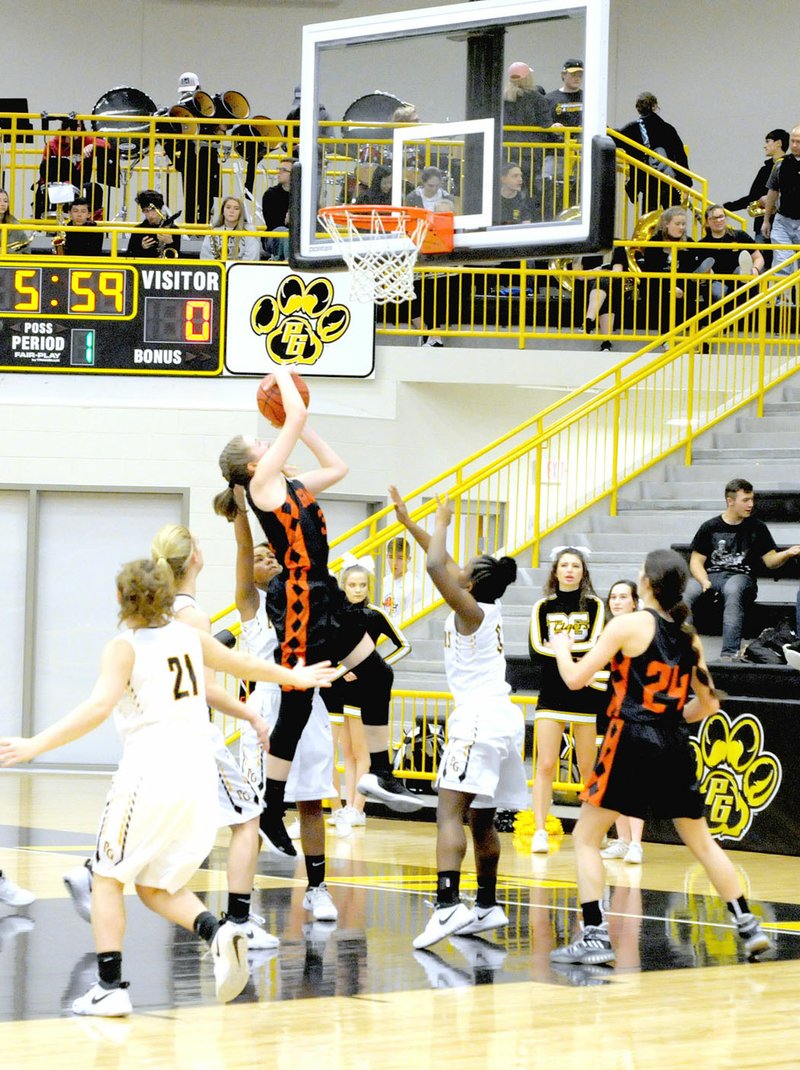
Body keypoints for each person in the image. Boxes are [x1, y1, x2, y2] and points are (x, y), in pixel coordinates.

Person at [0, 557, 335, 1016]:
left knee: (106, 877)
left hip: (148, 774)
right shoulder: (189, 637)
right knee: (156, 883)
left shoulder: (124, 646)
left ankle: (109, 987)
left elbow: (98, 707)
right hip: (197, 777)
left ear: (120, 598)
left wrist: (35, 743)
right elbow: (245, 665)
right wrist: (296, 676)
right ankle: (218, 932)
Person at [213, 369, 420, 849]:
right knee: (298, 702)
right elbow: (298, 409)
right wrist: (283, 371)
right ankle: (271, 805)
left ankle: (379, 773)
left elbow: (338, 466)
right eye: (258, 443)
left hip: (323, 592)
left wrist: (297, 424)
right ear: (249, 466)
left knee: (378, 676)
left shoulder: (291, 484)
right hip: (301, 598)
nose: (267, 442)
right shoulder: (263, 484)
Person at [64, 524, 289, 950]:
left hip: (169, 744)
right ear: (194, 559)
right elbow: (209, 687)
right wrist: (251, 713)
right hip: (191, 738)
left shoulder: (172, 615)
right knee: (247, 819)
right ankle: (236, 921)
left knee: (155, 854)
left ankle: (96, 873)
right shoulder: (190, 618)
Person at [547, 548, 772, 966]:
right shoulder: (687, 637)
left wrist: (562, 647)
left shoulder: (628, 625)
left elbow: (575, 679)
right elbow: (708, 706)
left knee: (585, 838)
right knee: (703, 843)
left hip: (630, 737)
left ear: (646, 583)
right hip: (673, 742)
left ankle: (594, 935)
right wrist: (667, 717)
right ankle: (748, 924)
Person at [387, 486, 526, 949]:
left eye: (464, 570)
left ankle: (447, 906)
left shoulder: (469, 612)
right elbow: (440, 559)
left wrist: (445, 519)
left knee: (449, 812)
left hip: (478, 721)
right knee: (481, 820)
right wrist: (409, 522)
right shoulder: (489, 601)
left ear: (469, 583)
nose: (457, 568)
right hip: (504, 719)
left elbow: (432, 565)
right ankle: (486, 906)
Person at [231, 494, 341, 923]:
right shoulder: (251, 603)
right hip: (266, 709)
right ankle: (243, 899)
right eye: (260, 558)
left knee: (312, 801)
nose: (267, 560)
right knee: (257, 807)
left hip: (306, 704)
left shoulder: (304, 592)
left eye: (271, 554)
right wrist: (241, 508)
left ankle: (317, 888)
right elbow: (243, 551)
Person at [322, 556, 411, 833]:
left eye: (362, 585)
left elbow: (403, 645)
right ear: (343, 586)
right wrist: (339, 671)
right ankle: (341, 807)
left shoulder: (375, 614)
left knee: (363, 753)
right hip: (336, 688)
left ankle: (358, 808)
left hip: (364, 688)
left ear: (368, 586)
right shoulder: (336, 614)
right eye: (352, 584)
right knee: (342, 752)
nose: (357, 590)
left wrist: (374, 668)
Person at [528, 547, 605, 854]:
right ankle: (539, 831)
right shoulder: (542, 607)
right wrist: (567, 652)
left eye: (575, 565)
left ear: (583, 571)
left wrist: (560, 647)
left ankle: (592, 832)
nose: (570, 570)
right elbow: (535, 650)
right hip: (551, 693)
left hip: (585, 693)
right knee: (545, 764)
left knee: (587, 768)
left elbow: (595, 646)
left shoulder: (595, 605)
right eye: (564, 565)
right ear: (555, 572)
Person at [684, 478, 800, 660]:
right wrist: (703, 580)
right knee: (686, 593)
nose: (751, 504)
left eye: (752, 499)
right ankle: (683, 650)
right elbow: (696, 561)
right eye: (745, 500)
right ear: (730, 501)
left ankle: (729, 655)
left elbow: (770, 561)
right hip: (712, 577)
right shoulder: (710, 527)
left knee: (733, 590)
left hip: (741, 577)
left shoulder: (757, 527)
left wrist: (787, 553)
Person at [597, 580, 646, 865]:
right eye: (612, 596)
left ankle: (637, 843)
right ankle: (623, 839)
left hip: (635, 710)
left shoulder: (641, 632)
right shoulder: (607, 632)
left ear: (635, 602)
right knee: (613, 776)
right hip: (610, 707)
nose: (616, 602)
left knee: (633, 778)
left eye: (623, 597)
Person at [633, 206, 714, 334]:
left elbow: (691, 270)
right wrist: (671, 287)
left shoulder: (689, 243)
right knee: (666, 298)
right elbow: (653, 270)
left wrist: (680, 287)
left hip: (684, 286)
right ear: (666, 224)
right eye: (677, 224)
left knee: (693, 296)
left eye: (683, 224)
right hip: (660, 286)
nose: (681, 227)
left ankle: (698, 341)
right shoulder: (654, 243)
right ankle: (667, 339)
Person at [614, 92, 691, 213]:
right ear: (655, 107)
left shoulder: (632, 129)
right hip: (669, 180)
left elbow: (615, 139)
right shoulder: (667, 128)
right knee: (674, 218)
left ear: (638, 109)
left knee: (649, 220)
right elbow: (681, 156)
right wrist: (686, 183)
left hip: (647, 182)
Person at [724, 129, 788, 259]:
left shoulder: (791, 167)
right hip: (764, 224)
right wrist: (728, 207)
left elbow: (752, 196)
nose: (765, 145)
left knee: (780, 264)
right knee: (762, 263)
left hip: (784, 225)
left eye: (768, 141)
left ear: (779, 143)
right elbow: (753, 197)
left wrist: (728, 207)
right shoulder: (765, 169)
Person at [502, 61, 555, 215]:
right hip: (530, 154)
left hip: (506, 152)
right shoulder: (536, 98)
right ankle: (528, 220)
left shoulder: (503, 97)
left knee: (506, 190)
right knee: (530, 190)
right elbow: (546, 125)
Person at [762, 124, 800, 283]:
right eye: (792, 141)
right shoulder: (781, 163)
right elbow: (772, 191)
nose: (794, 145)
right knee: (782, 262)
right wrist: (766, 220)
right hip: (782, 219)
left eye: (798, 142)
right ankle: (779, 303)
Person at [701, 204, 763, 301]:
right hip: (718, 283)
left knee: (742, 272)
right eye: (713, 218)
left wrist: (755, 269)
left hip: (739, 279)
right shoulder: (703, 244)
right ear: (707, 222)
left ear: (726, 218)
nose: (718, 220)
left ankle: (745, 275)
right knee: (716, 291)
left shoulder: (740, 236)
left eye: (721, 217)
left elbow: (758, 257)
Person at [582, 245, 629, 351]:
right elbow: (580, 275)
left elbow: (617, 273)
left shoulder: (618, 247)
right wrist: (601, 272)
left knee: (604, 282)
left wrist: (597, 272)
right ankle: (606, 342)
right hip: (591, 285)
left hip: (614, 284)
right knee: (602, 283)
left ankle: (590, 318)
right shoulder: (591, 246)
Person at [200, 196, 260, 262]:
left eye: (236, 209)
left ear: (241, 213)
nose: (231, 211)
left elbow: (252, 257)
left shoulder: (249, 231)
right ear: (223, 211)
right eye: (228, 207)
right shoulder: (213, 231)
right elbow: (205, 256)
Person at [125, 190, 181, 258]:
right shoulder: (138, 230)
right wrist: (141, 248)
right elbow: (129, 256)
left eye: (153, 210)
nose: (150, 215)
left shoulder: (173, 229)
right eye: (146, 211)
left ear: (160, 209)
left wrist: (170, 243)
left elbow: (178, 259)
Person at [261, 158, 293, 259]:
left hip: (296, 235)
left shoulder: (304, 195)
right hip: (273, 236)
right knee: (283, 232)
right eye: (279, 169)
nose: (279, 173)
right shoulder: (271, 194)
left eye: (284, 170)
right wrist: (288, 222)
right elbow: (272, 224)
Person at [0, 189, 32, 253]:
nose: (2, 204)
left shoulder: (14, 224)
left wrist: (7, 252)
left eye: (5, 201)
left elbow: (26, 250)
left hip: (9, 261)